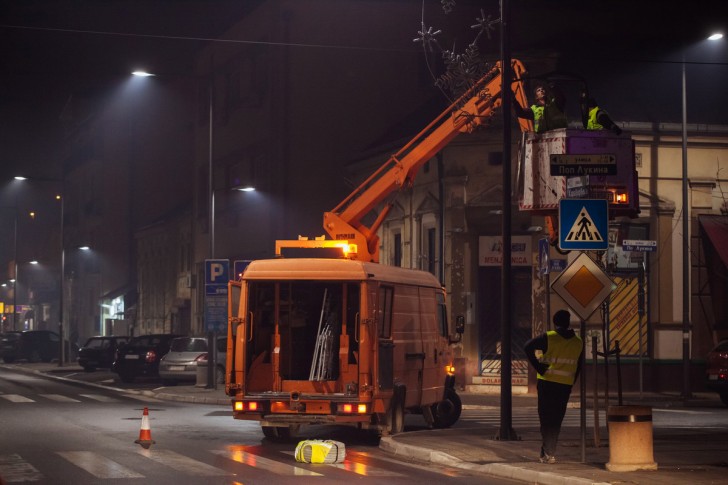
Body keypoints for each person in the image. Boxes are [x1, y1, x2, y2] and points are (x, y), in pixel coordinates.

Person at [524, 309, 583, 464]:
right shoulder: (578, 342)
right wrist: (571, 383)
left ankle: (549, 452)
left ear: (555, 322)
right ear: (568, 323)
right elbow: (579, 366)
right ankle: (547, 451)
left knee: (545, 418)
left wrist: (539, 367)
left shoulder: (549, 337)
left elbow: (527, 347)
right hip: (565, 386)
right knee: (556, 419)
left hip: (547, 383)